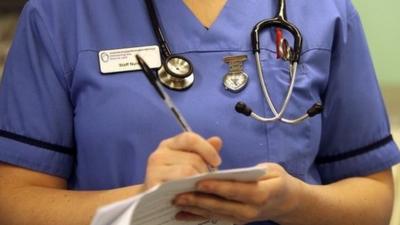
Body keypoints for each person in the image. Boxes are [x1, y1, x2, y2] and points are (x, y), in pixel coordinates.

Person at [0, 0, 399, 224]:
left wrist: (293, 202)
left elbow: (373, 199)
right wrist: (140, 203)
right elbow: (13, 202)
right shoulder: (62, 13)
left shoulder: (323, 11)